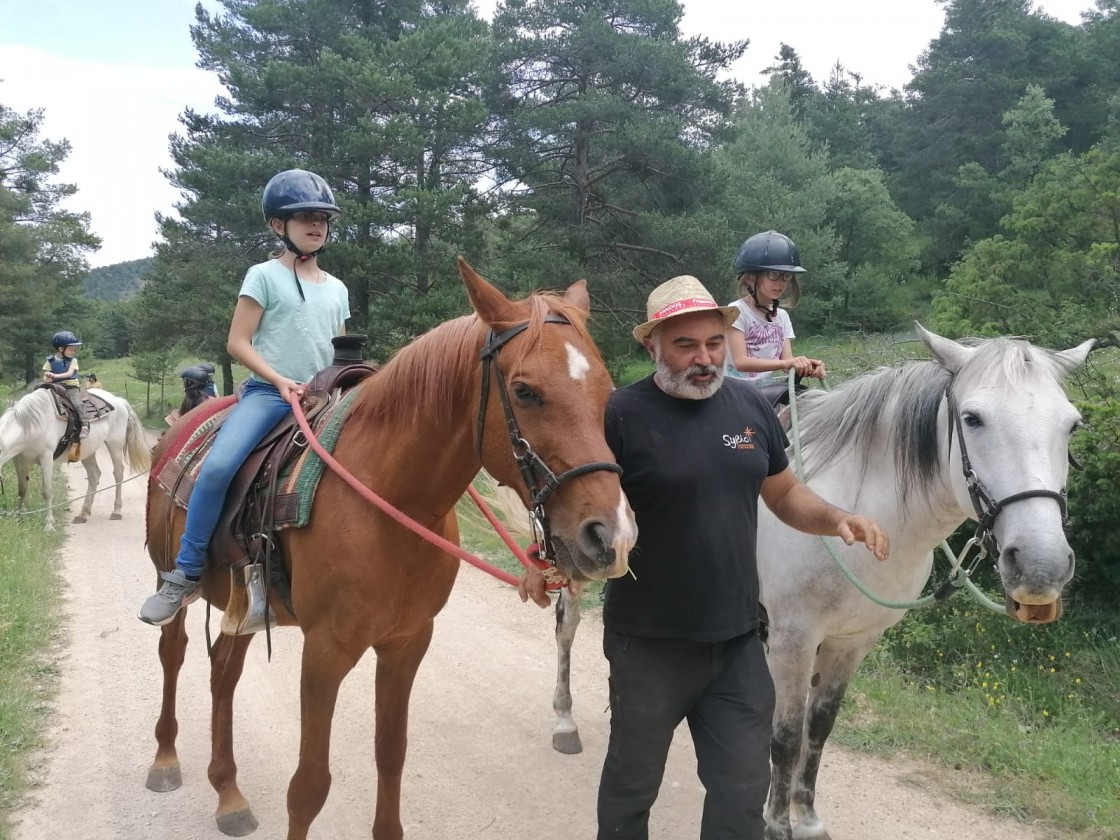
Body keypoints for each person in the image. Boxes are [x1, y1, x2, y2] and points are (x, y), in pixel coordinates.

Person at [519, 274, 890, 840]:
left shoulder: (747, 407)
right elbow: (573, 498)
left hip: (738, 644)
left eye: (714, 343)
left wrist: (838, 518)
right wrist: (547, 561)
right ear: (654, 346)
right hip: (649, 644)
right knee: (631, 788)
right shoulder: (619, 415)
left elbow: (784, 494)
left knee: (742, 797)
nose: (704, 358)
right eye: (686, 345)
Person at [139, 168, 351, 626]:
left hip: (324, 395)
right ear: (279, 225)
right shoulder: (263, 276)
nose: (317, 225)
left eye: (322, 218)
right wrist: (278, 380)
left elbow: (339, 346)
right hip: (270, 395)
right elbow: (238, 342)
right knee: (217, 468)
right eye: (304, 217)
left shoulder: (337, 288)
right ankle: (186, 572)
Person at [726, 230, 825, 384]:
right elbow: (741, 362)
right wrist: (786, 363)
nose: (781, 282)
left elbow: (787, 363)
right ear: (751, 278)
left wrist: (808, 366)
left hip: (766, 393)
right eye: (773, 274)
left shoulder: (782, 317)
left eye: (786, 276)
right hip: (735, 391)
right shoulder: (736, 311)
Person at [42, 331, 88, 438]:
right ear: (61, 349)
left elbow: (69, 373)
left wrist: (55, 376)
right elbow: (45, 377)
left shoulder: (73, 361)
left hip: (70, 386)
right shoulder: (50, 361)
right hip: (55, 386)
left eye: (74, 349)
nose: (74, 352)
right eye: (71, 349)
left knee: (77, 403)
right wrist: (47, 377)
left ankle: (85, 425)